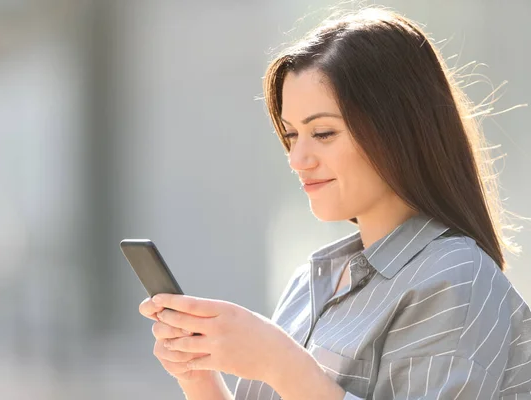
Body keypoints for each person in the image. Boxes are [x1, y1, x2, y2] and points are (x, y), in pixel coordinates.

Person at [139, 7, 531, 399]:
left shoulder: (456, 276)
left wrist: (281, 364)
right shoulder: (312, 282)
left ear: (398, 131)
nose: (297, 159)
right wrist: (198, 376)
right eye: (291, 135)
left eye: (323, 132)